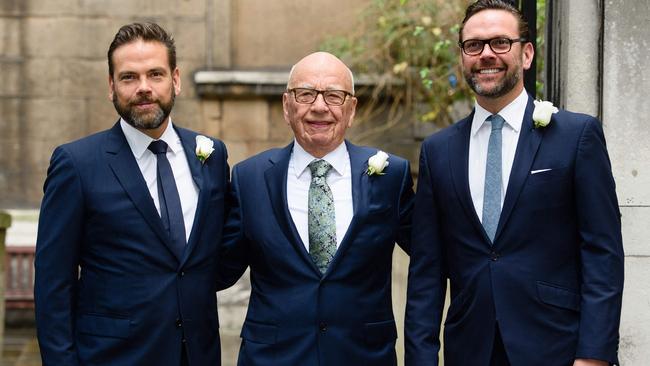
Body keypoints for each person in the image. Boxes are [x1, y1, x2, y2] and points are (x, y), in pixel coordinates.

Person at [404, 1, 624, 365]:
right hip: (470, 350)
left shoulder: (576, 136)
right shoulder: (437, 151)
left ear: (526, 54)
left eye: (500, 42)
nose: (486, 54)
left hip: (558, 348)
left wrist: (594, 355)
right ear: (462, 57)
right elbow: (426, 271)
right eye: (474, 45)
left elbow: (602, 252)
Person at [34, 22, 229, 366]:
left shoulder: (211, 156)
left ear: (176, 80)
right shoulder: (76, 164)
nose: (144, 88)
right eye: (128, 77)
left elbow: (214, 256)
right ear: (111, 86)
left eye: (155, 74)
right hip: (112, 357)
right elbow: (54, 285)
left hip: (197, 354)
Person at [219, 51, 414, 365]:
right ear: (287, 106)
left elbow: (432, 257)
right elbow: (216, 270)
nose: (320, 106)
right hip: (273, 357)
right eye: (306, 94)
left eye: (334, 96)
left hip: (363, 356)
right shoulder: (249, 178)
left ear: (351, 110)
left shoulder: (391, 176)